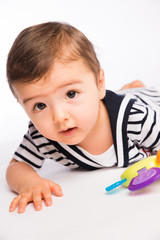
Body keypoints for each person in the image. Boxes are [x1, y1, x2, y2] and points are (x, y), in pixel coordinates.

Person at [6, 21, 160, 214]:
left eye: (71, 94)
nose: (59, 117)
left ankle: (134, 88)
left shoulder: (135, 119)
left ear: (99, 83)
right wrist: (28, 182)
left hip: (149, 102)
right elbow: (16, 166)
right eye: (40, 105)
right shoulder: (41, 136)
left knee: (134, 94)